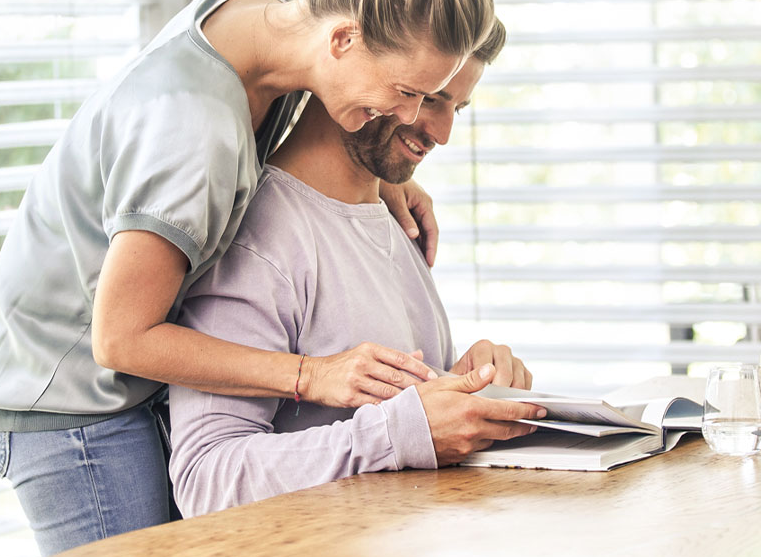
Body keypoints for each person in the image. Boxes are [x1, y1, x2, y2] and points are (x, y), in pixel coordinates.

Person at [0, 0, 499, 556]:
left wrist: (386, 176)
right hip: (64, 397)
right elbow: (120, 339)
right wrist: (313, 372)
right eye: (407, 93)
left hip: (116, 375)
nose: (413, 116)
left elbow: (317, 89)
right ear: (343, 39)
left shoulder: (258, 16)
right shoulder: (193, 132)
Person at [169, 29, 547, 516]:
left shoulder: (395, 215)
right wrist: (401, 432)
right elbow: (207, 480)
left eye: (458, 107)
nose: (444, 132)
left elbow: (398, 420)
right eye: (429, 97)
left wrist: (463, 389)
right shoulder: (258, 242)